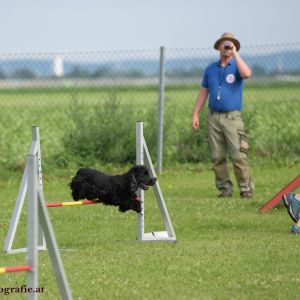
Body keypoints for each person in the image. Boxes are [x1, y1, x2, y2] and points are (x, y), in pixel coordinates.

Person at [192, 32, 253, 198]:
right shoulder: (210, 69)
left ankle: (246, 189)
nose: (227, 47)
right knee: (217, 156)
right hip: (214, 117)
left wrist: (235, 54)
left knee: (238, 156)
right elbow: (204, 92)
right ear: (218, 47)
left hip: (232, 118)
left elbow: (247, 74)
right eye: (225, 44)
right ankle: (224, 188)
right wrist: (195, 113)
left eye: (231, 44)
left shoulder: (237, 66)